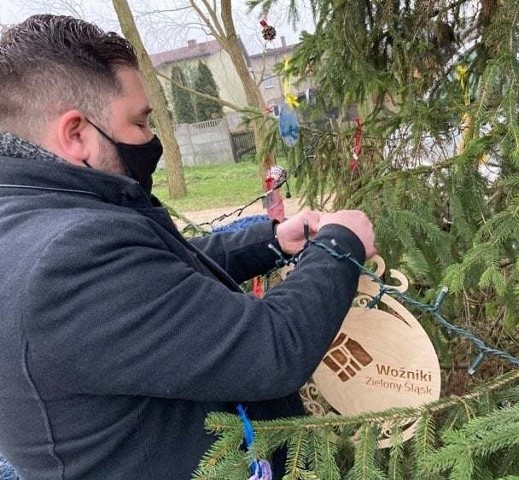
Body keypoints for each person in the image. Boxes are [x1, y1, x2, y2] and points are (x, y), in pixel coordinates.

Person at [0, 14, 376, 480]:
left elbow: (158, 283)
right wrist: (342, 242)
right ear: (76, 134)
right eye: (140, 122)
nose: (151, 140)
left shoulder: (31, 220)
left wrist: (271, 241)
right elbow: (273, 348)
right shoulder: (68, 257)